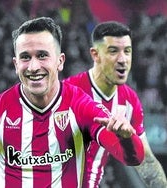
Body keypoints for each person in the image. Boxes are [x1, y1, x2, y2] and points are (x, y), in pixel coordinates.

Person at [0, 17, 144, 188]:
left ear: (60, 61)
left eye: (42, 55)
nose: (34, 66)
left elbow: (132, 157)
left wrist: (126, 138)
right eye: (26, 57)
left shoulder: (81, 105)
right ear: (16, 64)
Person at [64, 21, 167, 188]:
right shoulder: (68, 93)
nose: (122, 59)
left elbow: (147, 163)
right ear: (95, 55)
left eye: (127, 51)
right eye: (113, 51)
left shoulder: (130, 101)